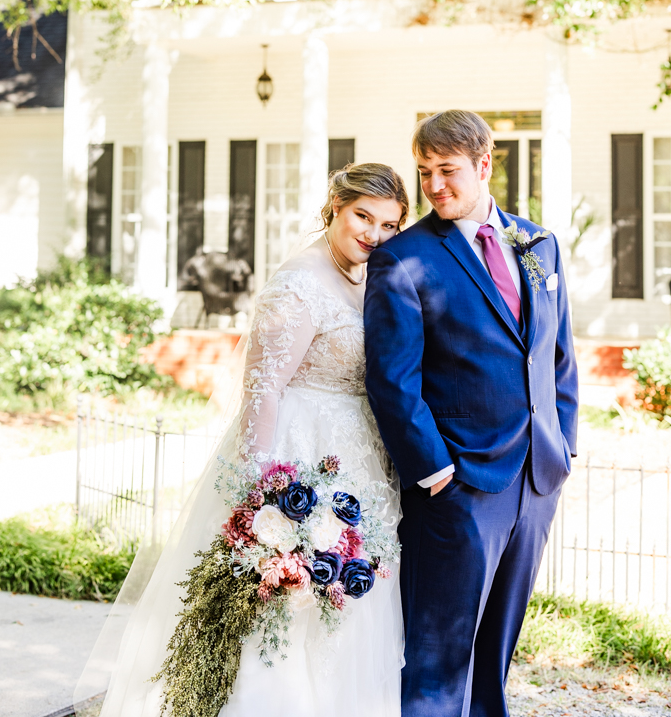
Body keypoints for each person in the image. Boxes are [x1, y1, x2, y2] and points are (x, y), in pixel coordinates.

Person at [92, 162, 408, 717]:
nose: (374, 235)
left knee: (349, 601)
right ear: (335, 205)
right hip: (298, 459)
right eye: (364, 217)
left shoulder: (365, 276)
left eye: (388, 225)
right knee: (287, 606)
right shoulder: (299, 282)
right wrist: (265, 498)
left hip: (355, 459)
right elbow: (264, 390)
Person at [364, 110, 578, 717]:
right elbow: (391, 380)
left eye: (448, 171)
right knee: (437, 664)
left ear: (484, 165)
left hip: (536, 479)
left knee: (495, 658)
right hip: (456, 488)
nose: (434, 186)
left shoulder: (537, 245)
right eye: (424, 172)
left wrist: (564, 448)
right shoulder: (403, 260)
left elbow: (558, 353)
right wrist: (434, 472)